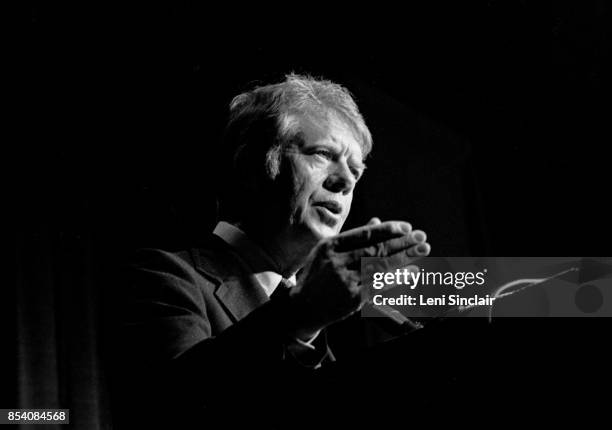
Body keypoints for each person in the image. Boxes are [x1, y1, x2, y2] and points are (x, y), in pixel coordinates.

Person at [111, 74, 431, 428]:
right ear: (253, 165)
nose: (346, 181)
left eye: (355, 170)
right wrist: (300, 314)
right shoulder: (162, 276)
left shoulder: (328, 335)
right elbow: (175, 406)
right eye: (323, 154)